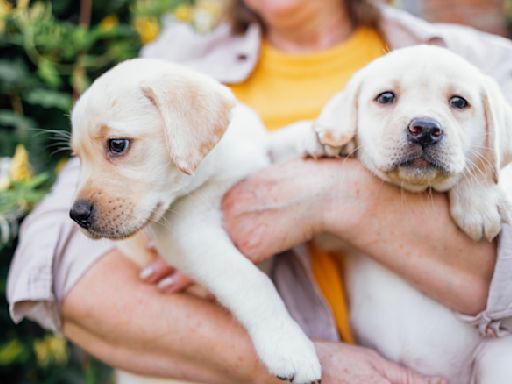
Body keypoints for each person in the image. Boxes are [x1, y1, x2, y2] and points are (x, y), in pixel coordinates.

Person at [7, 0, 512, 383]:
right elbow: (52, 265)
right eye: (384, 99)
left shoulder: (482, 64)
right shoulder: (177, 63)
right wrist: (298, 362)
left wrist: (333, 198)